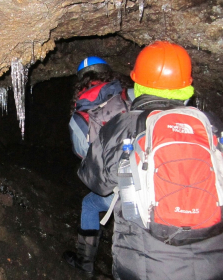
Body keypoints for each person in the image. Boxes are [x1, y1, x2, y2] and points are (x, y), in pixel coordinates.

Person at [77, 41, 223, 279]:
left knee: (92, 203)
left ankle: (85, 262)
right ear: (186, 85)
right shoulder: (210, 124)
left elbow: (95, 181)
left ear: (139, 82)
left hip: (147, 264)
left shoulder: (123, 125)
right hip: (213, 261)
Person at [63, 56, 133, 275]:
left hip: (118, 190)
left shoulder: (78, 118)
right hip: (151, 178)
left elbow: (82, 153)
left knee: (91, 204)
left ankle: (85, 263)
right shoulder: (130, 95)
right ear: (108, 74)